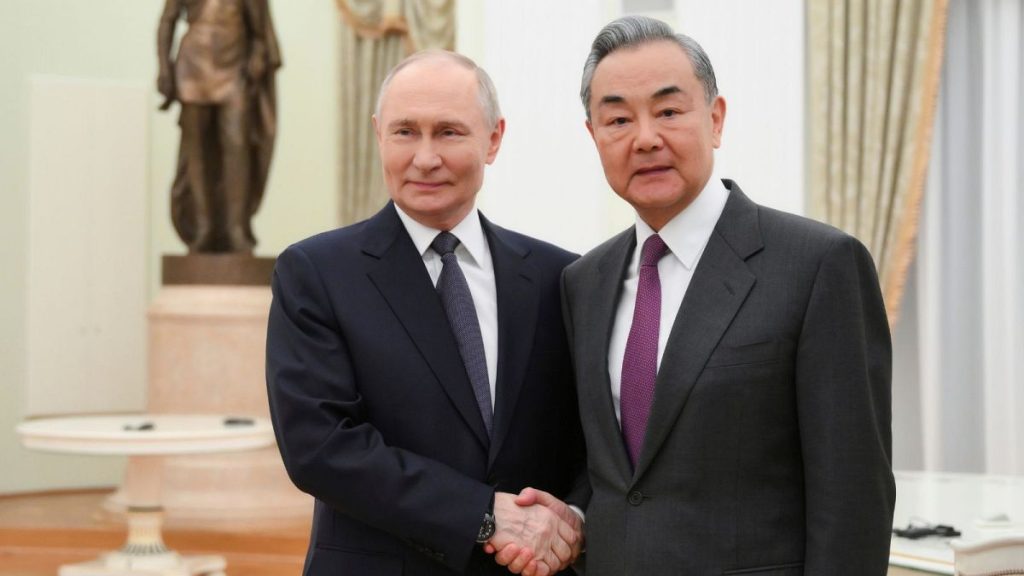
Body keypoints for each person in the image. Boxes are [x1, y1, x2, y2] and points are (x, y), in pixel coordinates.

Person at [549, 15, 896, 575]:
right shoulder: (583, 282)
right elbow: (611, 478)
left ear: (715, 119)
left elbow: (854, 498)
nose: (645, 138)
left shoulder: (817, 266)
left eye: (668, 111)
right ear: (594, 136)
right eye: (617, 119)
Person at [266, 50, 585, 576]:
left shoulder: (560, 277)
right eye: (405, 132)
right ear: (378, 135)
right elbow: (319, 447)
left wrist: (570, 518)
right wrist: (482, 516)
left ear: (494, 138)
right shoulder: (316, 273)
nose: (425, 157)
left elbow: (597, 438)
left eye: (450, 132)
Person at [157, 0, 281, 253]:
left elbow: (259, 31)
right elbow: (167, 20)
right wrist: (164, 67)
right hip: (193, 65)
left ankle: (236, 227)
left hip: (234, 66)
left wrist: (258, 56)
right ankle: (204, 227)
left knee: (237, 144)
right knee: (197, 151)